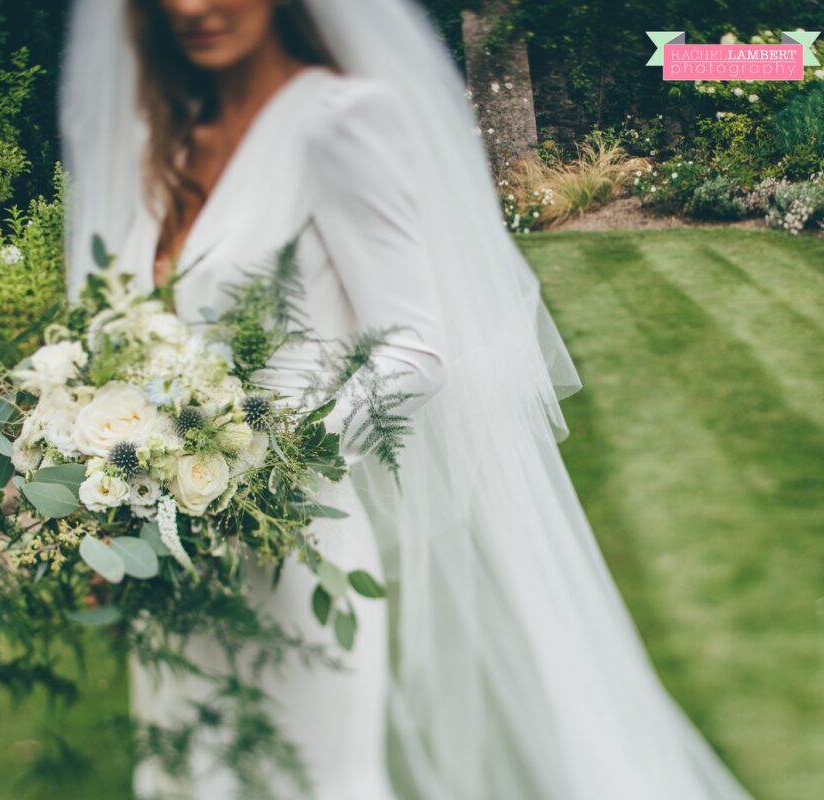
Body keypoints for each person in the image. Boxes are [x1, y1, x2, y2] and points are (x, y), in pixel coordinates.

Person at [60, 1, 756, 798]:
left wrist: (271, 462)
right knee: (186, 777)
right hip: (174, 574)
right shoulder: (162, 143)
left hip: (294, 550)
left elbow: (414, 347)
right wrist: (101, 483)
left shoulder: (336, 121)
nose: (192, 7)